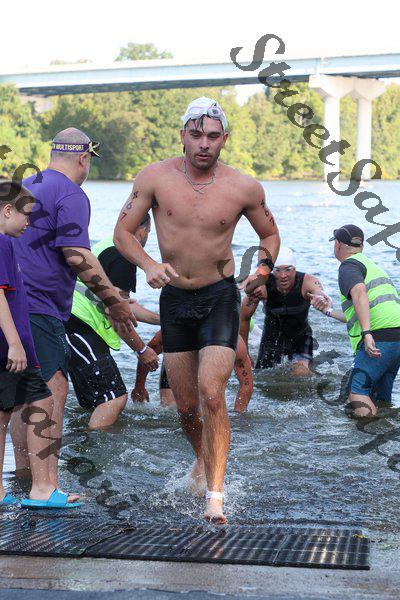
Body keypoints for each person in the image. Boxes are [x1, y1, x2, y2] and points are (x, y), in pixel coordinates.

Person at [114, 96, 280, 523]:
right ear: (183, 135)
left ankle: (215, 497)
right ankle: (205, 461)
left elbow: (270, 236)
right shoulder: (154, 177)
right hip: (174, 298)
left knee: (211, 392)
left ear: (224, 139)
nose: (204, 143)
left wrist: (262, 269)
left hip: (219, 297)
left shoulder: (244, 187)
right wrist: (149, 265)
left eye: (212, 136)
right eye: (196, 134)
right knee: (186, 407)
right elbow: (122, 233)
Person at [11, 128, 135, 495]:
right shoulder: (71, 194)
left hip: (12, 305)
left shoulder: (25, 186)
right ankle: (46, 487)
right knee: (52, 390)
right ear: (84, 158)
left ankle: (23, 477)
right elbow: (77, 255)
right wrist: (113, 300)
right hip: (40, 306)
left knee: (21, 394)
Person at [0, 181, 80, 509]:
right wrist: (15, 343)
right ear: (8, 210)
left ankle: (5, 491)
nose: (29, 223)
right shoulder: (3, 243)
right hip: (10, 345)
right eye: (26, 215)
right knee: (40, 400)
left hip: (11, 344)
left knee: (7, 412)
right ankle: (43, 489)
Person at [66, 216, 159, 429]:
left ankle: (80, 442)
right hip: (80, 325)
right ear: (142, 230)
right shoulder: (123, 254)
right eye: (149, 233)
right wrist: (141, 349)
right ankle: (93, 446)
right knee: (114, 398)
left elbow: (123, 306)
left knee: (94, 403)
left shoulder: (109, 246)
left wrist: (162, 320)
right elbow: (115, 312)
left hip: (68, 321)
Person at [310, 224, 400, 418]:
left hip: (378, 336)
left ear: (337, 244)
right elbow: (360, 311)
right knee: (379, 397)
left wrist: (367, 334)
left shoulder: (348, 266)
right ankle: (388, 428)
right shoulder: (372, 267)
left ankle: (371, 431)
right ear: (361, 246)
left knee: (356, 391)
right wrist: (327, 311)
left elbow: (359, 294)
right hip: (395, 338)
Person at [240, 246, 330, 377]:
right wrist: (245, 354)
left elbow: (321, 293)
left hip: (301, 339)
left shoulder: (307, 282)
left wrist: (322, 299)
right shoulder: (262, 287)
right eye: (277, 270)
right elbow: (243, 317)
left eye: (288, 269)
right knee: (262, 379)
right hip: (271, 340)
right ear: (271, 271)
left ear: (295, 268)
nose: (283, 276)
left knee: (300, 373)